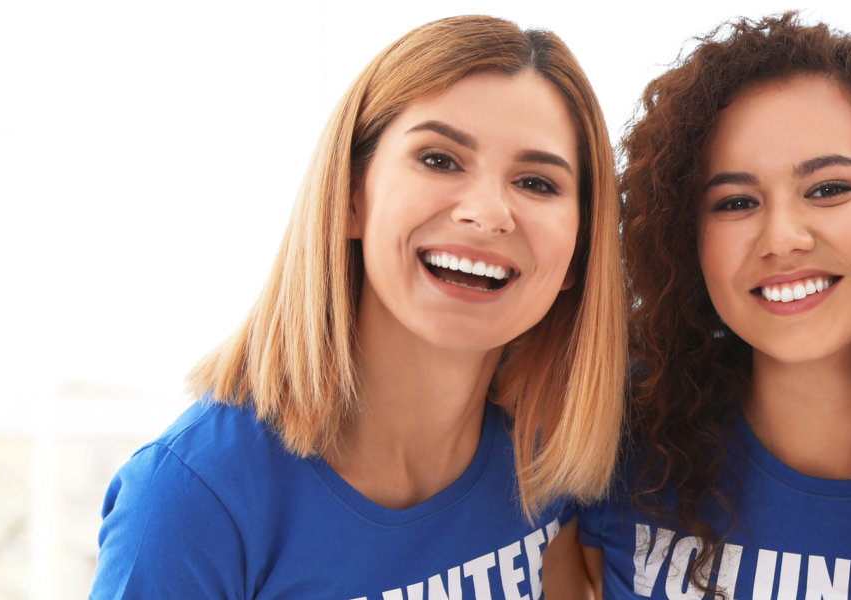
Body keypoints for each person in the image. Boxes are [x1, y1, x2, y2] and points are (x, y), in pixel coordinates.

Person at [90, 15, 626, 599]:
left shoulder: (547, 456)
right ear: (350, 196)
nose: (488, 212)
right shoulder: (191, 498)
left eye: (537, 183)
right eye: (440, 159)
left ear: (579, 249)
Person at [571, 12, 851, 600]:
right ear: (685, 236)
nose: (782, 237)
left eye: (828, 189)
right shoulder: (611, 441)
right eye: (735, 202)